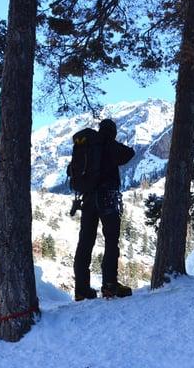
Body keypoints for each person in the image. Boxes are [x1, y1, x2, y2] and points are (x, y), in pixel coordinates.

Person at [74, 118, 135, 301]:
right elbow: (128, 154)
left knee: (85, 242)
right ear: (112, 132)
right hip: (107, 198)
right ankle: (109, 285)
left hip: (87, 199)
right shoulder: (108, 144)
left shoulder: (86, 147)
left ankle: (81, 289)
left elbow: (72, 171)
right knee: (110, 240)